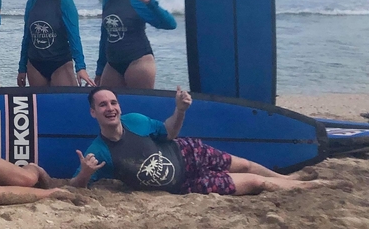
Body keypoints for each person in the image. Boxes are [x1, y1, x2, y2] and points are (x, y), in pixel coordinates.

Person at [71, 87, 325, 195]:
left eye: (113, 102)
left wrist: (180, 110)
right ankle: (310, 187)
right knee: (256, 182)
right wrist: (84, 174)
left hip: (188, 152)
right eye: (102, 104)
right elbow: (75, 187)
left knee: (247, 165)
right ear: (93, 112)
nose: (110, 108)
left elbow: (169, 133)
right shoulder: (99, 151)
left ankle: (290, 180)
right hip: (186, 184)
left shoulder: (135, 120)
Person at [95, 0, 176, 89]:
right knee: (106, 103)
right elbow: (105, 35)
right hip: (112, 64)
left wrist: (151, 4)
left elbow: (170, 24)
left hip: (138, 61)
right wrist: (99, 70)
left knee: (138, 107)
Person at [17, 0, 93, 88]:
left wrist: (80, 67)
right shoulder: (31, 4)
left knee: (66, 105)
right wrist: (22, 68)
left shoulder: (65, 2)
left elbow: (74, 36)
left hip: (60, 63)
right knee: (41, 107)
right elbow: (27, 38)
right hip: (34, 65)